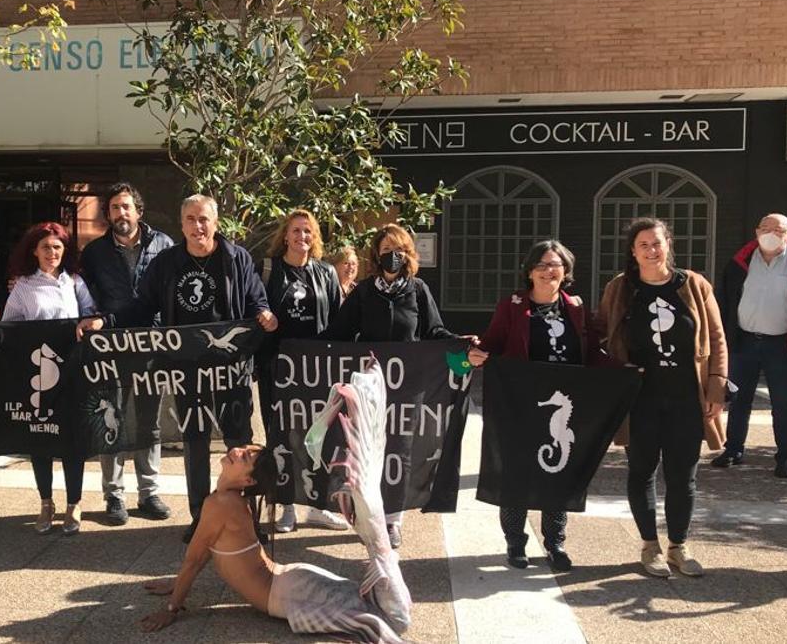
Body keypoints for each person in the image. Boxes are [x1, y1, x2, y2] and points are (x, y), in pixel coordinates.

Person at [138, 362, 411, 643]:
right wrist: (176, 584)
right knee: (384, 612)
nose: (237, 451)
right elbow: (205, 550)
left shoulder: (221, 504)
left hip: (288, 591)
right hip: (291, 582)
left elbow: (194, 559)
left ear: (248, 482)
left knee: (393, 620)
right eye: (245, 450)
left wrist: (171, 609)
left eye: (245, 457)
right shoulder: (229, 502)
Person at [105, 194, 278, 543]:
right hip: (187, 371)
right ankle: (201, 517)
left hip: (231, 370)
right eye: (190, 220)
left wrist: (264, 314)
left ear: (215, 223)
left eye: (204, 220)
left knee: (239, 446)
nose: (198, 227)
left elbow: (257, 299)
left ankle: (246, 518)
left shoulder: (236, 258)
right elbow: (141, 307)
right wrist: (104, 322)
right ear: (181, 224)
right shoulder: (168, 263)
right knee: (195, 444)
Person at [468, 240, 611, 572]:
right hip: (521, 404)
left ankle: (555, 542)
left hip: (562, 404)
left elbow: (590, 354)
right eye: (542, 265)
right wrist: (473, 354)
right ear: (529, 271)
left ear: (567, 270)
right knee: (517, 474)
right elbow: (491, 344)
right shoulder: (513, 306)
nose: (550, 271)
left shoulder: (575, 307)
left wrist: (623, 370)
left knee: (557, 473)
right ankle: (515, 543)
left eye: (556, 264)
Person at [597, 217, 727, 578]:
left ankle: (679, 547)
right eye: (643, 245)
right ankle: (650, 546)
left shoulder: (694, 285)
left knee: (683, 475)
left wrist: (716, 387)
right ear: (632, 251)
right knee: (641, 471)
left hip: (687, 397)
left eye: (657, 243)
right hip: (641, 399)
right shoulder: (621, 289)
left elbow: (716, 338)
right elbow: (599, 333)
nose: (652, 251)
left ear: (668, 244)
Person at [326, 223, 459, 549]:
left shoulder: (417, 290)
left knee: (400, 451)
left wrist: (463, 347)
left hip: (407, 387)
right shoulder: (364, 293)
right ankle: (368, 514)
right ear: (376, 254)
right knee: (366, 452)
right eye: (386, 250)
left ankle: (393, 519)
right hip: (370, 387)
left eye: (398, 249)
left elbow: (435, 332)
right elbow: (338, 334)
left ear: (408, 254)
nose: (392, 256)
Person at [79, 182, 175, 525]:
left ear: (138, 211)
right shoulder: (94, 253)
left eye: (126, 207)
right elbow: (84, 296)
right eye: (115, 208)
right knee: (111, 420)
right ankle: (114, 495)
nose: (121, 213)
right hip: (111, 346)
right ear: (109, 214)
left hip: (152, 344)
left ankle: (149, 493)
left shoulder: (164, 245)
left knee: (149, 422)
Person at [2, 222, 104, 535]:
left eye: (57, 247)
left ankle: (74, 503)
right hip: (38, 373)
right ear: (34, 250)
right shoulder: (22, 287)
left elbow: (92, 314)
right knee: (41, 439)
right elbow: (9, 328)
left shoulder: (74, 282)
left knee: (72, 439)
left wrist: (92, 322)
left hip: (72, 372)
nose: (51, 253)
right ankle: (46, 502)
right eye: (45, 247)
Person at [712, 213, 787, 478]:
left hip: (782, 345)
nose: (770, 233)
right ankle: (733, 449)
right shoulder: (739, 263)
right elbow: (723, 301)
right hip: (744, 342)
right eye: (765, 228)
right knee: (739, 399)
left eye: (778, 230)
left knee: (783, 403)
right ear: (756, 232)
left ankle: (786, 457)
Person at [259, 209, 348, 533]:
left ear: (315, 237)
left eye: (308, 231)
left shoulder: (326, 274)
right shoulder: (269, 270)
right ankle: (286, 507)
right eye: (296, 231)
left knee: (320, 438)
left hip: (317, 371)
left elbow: (340, 320)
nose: (302, 237)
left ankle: (319, 506)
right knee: (281, 437)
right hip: (279, 370)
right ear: (285, 235)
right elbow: (255, 309)